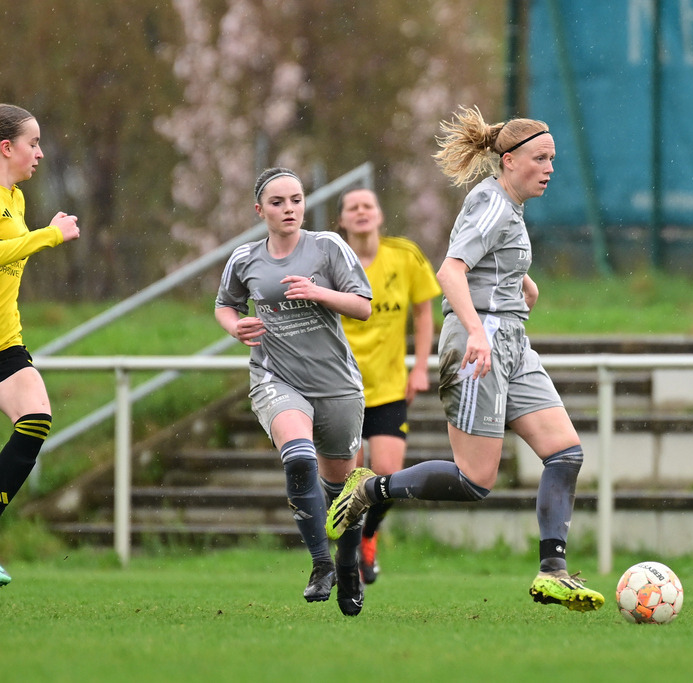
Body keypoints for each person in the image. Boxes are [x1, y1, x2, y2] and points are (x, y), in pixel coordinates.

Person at [326, 105, 604, 612]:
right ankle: (371, 489)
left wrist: (522, 288)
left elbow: (492, 267)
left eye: (553, 159)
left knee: (565, 453)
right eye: (541, 159)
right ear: (510, 160)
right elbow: (450, 273)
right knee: (474, 481)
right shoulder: (492, 202)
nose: (549, 168)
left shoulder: (510, 208)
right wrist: (477, 330)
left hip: (511, 340)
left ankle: (553, 573)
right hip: (482, 343)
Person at [215, 167, 372, 615]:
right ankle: (321, 563)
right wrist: (234, 326)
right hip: (275, 377)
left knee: (344, 494)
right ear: (259, 209)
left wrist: (319, 293)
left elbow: (363, 306)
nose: (290, 209)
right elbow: (225, 304)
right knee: (299, 457)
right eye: (279, 202)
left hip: (336, 385)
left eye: (297, 200)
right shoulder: (245, 258)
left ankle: (346, 566)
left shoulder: (327, 247)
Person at [335, 187, 441, 584]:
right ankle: (344, 556)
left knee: (387, 475)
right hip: (340, 388)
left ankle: (368, 536)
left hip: (390, 387)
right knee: (348, 477)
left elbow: (424, 312)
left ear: (379, 215)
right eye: (352, 207)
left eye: (368, 206)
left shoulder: (405, 256)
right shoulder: (331, 257)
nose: (361, 212)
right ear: (342, 220)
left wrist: (420, 368)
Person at [0, 104, 81, 587]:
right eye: (33, 143)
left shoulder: (18, 199)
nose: (41, 153)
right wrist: (48, 237)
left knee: (36, 416)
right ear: (6, 147)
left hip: (6, 341)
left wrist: (38, 233)